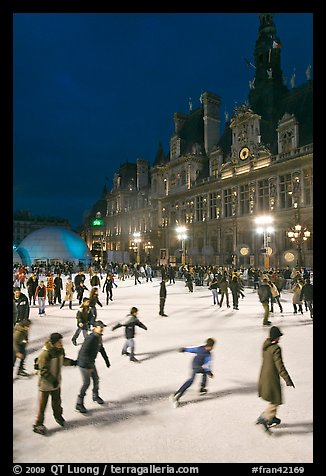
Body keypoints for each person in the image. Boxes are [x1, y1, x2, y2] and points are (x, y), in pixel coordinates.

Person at [33, 333, 77, 435]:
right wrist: (52, 380)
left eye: (61, 341)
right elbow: (43, 371)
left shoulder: (60, 350)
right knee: (42, 405)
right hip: (46, 384)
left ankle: (58, 416)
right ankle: (38, 424)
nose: (61, 343)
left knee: (57, 402)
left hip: (56, 382)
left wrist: (72, 362)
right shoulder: (45, 354)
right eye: (59, 342)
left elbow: (62, 360)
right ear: (53, 343)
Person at [256, 326, 295, 432]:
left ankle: (270, 417)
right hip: (271, 378)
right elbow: (280, 366)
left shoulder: (265, 346)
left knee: (274, 399)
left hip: (264, 375)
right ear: (276, 337)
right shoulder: (276, 348)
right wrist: (287, 379)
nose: (280, 339)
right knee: (276, 400)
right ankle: (265, 418)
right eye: (279, 337)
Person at [75, 321, 111, 413]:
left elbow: (101, 349)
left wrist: (106, 360)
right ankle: (79, 404)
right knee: (86, 383)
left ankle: (95, 396)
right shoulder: (90, 338)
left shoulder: (99, 337)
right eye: (100, 327)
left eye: (103, 327)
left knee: (96, 379)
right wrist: (88, 365)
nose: (102, 328)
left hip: (90, 362)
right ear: (94, 328)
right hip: (84, 363)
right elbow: (83, 352)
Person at [171, 338, 215, 407]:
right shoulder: (208, 354)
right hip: (197, 366)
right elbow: (207, 363)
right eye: (212, 346)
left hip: (194, 364)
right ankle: (178, 394)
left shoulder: (200, 348)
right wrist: (209, 372)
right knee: (192, 380)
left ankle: (201, 388)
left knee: (199, 376)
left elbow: (192, 349)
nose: (212, 348)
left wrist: (184, 349)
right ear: (210, 346)